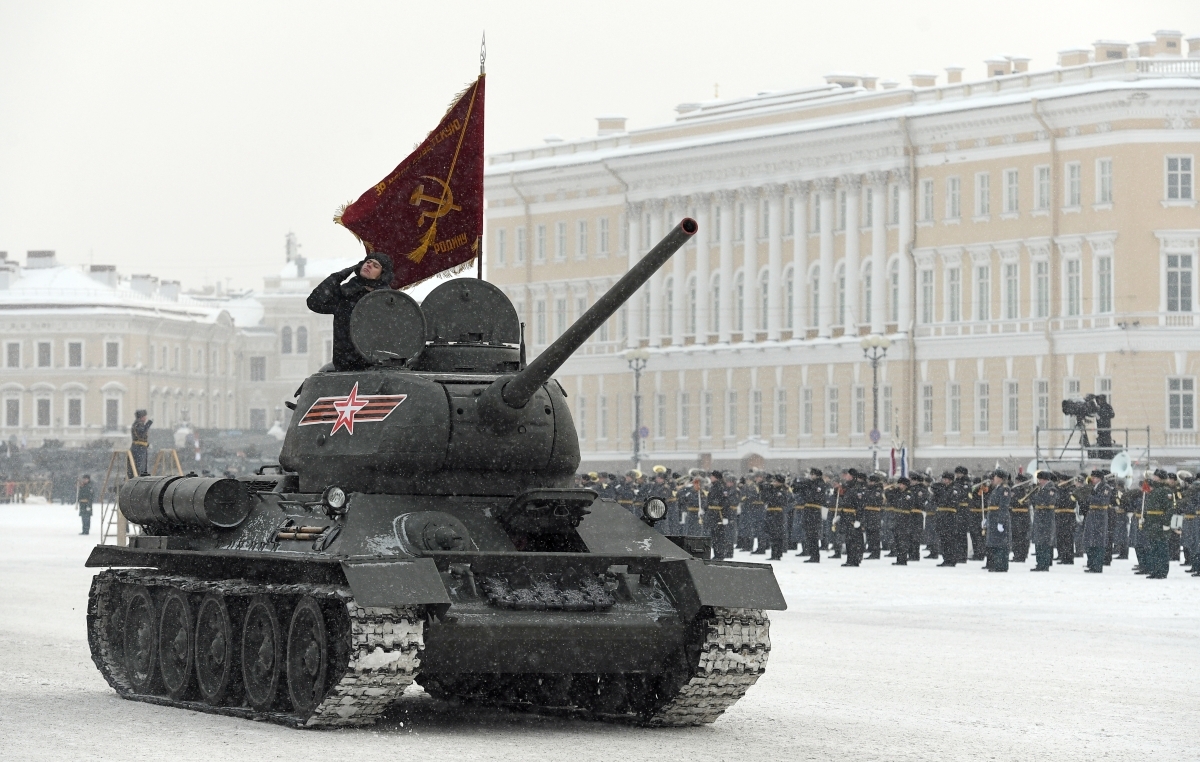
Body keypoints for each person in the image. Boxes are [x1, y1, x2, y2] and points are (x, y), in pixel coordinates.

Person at [306, 255, 395, 371]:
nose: (369, 265)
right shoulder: (346, 294)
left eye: (376, 266)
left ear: (382, 274)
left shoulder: (387, 300)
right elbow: (314, 302)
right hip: (345, 365)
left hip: (375, 366)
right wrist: (338, 276)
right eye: (368, 262)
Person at [1142, 469, 1176, 579]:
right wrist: (1145, 518)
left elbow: (1169, 509)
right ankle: (1155, 570)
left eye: (1155, 476)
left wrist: (1166, 523)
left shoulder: (1165, 491)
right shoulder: (1154, 490)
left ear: (1160, 478)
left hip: (1160, 522)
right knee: (1153, 547)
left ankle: (1162, 571)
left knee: (1161, 548)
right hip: (1152, 522)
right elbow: (1149, 506)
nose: (1153, 478)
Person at [1082, 470, 1113, 573]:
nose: (1092, 480)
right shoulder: (1092, 487)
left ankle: (1097, 566)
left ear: (1099, 478)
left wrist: (1089, 497)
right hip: (1092, 515)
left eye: (1094, 478)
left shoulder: (1105, 487)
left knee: (1098, 542)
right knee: (1089, 541)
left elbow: (1103, 501)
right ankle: (1091, 564)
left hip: (1100, 515)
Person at [984, 470, 1013, 572]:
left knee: (1001, 544)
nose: (994, 479)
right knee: (994, 543)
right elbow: (991, 506)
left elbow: (1003, 507)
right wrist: (986, 518)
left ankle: (1001, 565)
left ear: (1000, 478)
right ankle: (996, 564)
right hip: (993, 518)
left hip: (999, 518)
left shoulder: (1005, 489)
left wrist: (1001, 521)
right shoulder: (996, 489)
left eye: (995, 477)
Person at [1029, 471, 1058, 571]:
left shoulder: (1051, 489)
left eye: (1040, 480)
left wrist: (1035, 497)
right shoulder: (1040, 489)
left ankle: (1044, 564)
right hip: (1039, 517)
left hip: (1046, 518)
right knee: (1039, 541)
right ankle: (1040, 563)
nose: (1039, 482)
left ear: (1045, 480)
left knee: (1044, 542)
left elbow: (1048, 501)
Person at [129, 410, 151, 477]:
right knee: (140, 464)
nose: (145, 418)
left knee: (142, 464)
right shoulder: (138, 424)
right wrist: (148, 424)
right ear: (141, 417)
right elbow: (141, 433)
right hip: (139, 447)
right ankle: (140, 476)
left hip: (141, 447)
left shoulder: (138, 424)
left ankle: (142, 475)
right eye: (144, 416)